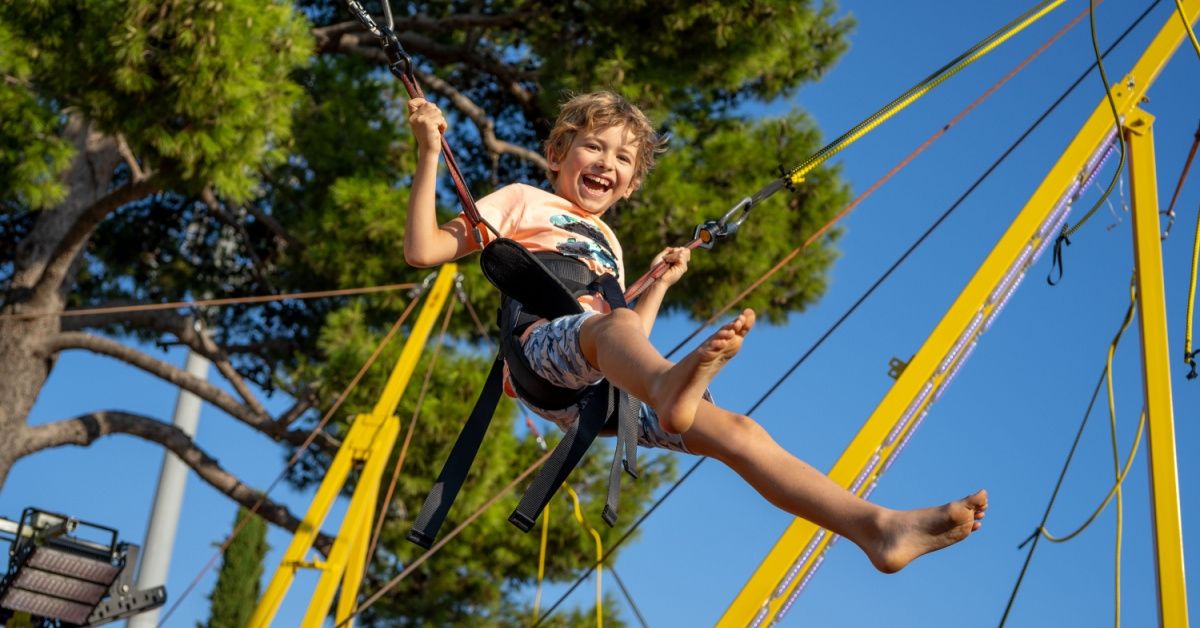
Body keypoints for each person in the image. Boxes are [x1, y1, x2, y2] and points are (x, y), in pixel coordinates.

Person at [404, 90, 987, 573]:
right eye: (593, 147)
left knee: (738, 431)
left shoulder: (610, 244)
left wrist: (657, 285)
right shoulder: (520, 200)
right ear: (558, 154)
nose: (608, 163)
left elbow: (631, 340)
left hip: (606, 383)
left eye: (624, 159)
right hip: (542, 354)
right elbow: (424, 250)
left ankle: (876, 528)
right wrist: (430, 151)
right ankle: (671, 391)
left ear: (630, 185)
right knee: (620, 334)